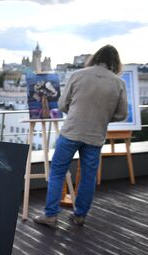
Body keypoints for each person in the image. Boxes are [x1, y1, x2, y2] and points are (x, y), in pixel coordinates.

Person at [34, 45, 128, 228]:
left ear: (95, 57)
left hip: (71, 131)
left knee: (58, 172)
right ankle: (80, 216)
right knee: (88, 176)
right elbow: (121, 114)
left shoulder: (78, 75)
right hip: (95, 135)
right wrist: (104, 117)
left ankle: (51, 215)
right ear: (115, 62)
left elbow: (62, 105)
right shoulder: (118, 83)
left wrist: (74, 111)